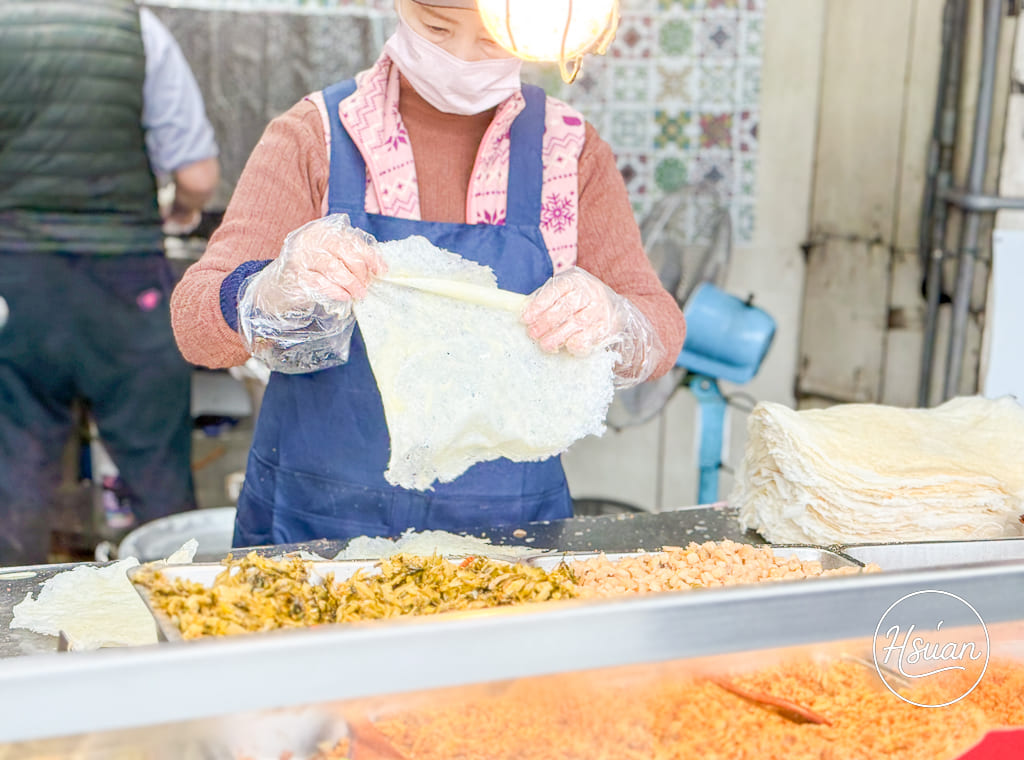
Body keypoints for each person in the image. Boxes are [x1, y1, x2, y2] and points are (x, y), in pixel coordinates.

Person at [171, 0, 686, 547]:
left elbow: (660, 331)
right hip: (315, 535)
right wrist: (269, 293)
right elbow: (193, 326)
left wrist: (611, 318)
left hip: (508, 543)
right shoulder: (314, 136)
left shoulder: (569, 152)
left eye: (490, 40)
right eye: (437, 27)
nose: (460, 57)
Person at [0, 0, 220, 565]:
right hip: (126, 287)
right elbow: (197, 175)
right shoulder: (137, 30)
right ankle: (176, 618)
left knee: (13, 481)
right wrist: (180, 213)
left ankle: (12, 636)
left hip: (15, 288)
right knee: (159, 482)